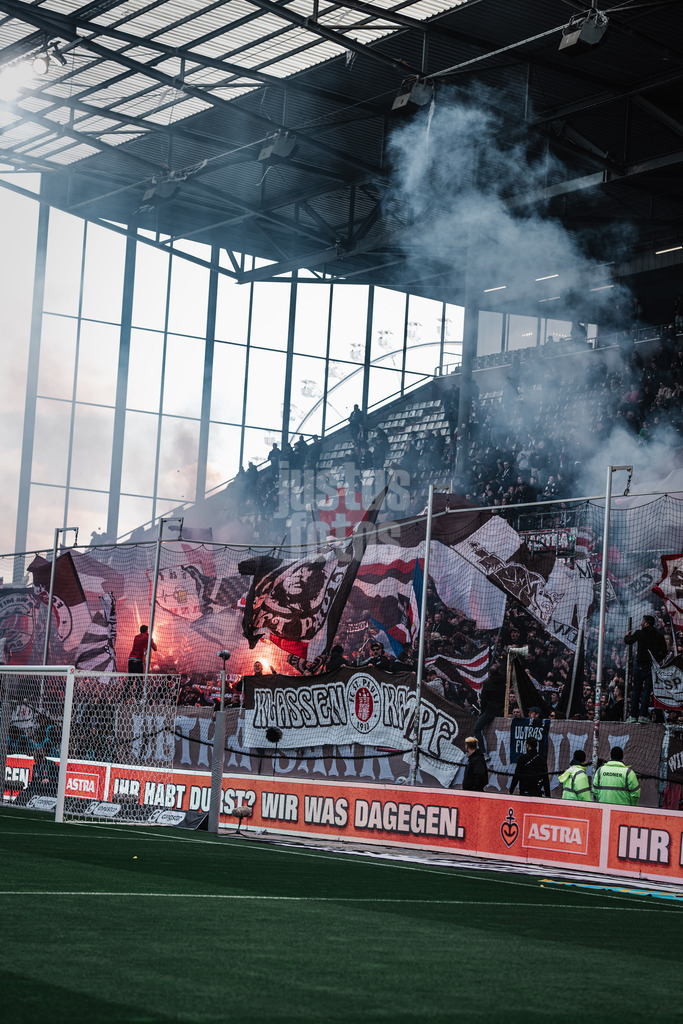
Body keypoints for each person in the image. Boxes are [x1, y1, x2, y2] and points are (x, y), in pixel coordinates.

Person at [624, 614, 667, 722]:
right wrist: (656, 659)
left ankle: (633, 716)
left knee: (636, 691)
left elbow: (628, 641)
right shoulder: (659, 636)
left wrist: (627, 635)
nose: (641, 623)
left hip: (640, 666)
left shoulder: (640, 633)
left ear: (646, 623)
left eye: (642, 621)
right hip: (652, 667)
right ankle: (643, 715)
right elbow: (665, 652)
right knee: (647, 692)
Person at [473, 661, 506, 755]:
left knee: (476, 729)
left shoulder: (487, 684)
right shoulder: (504, 680)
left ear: (489, 673)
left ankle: (483, 752)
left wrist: (482, 712)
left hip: (490, 711)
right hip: (502, 709)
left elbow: (483, 701)